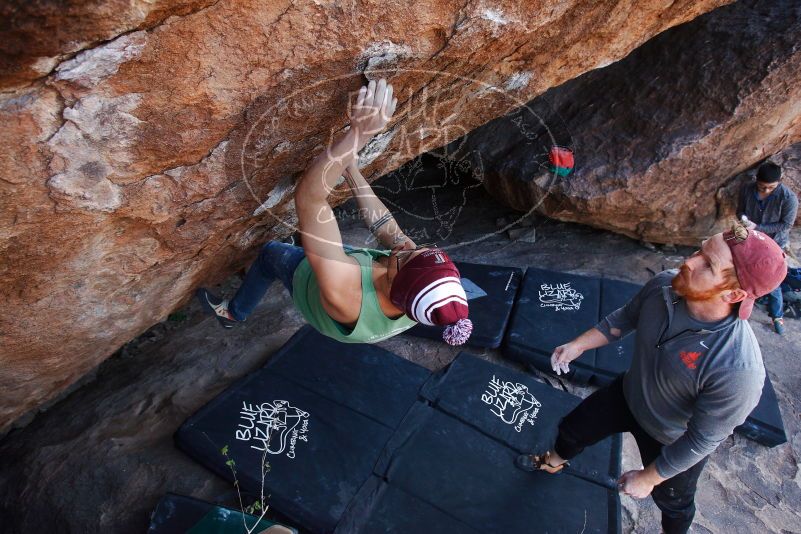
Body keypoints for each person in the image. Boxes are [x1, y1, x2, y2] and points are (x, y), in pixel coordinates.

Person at [515, 223, 786, 534]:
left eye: (708, 264)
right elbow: (625, 317)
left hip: (672, 437)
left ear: (734, 294)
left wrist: (649, 478)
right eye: (700, 250)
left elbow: (701, 441)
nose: (688, 261)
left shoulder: (738, 369)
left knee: (674, 503)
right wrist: (578, 345)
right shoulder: (664, 287)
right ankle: (554, 461)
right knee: (572, 430)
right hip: (628, 394)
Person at [196, 79, 473, 345]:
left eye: (407, 256)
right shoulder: (418, 287)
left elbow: (309, 200)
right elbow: (388, 228)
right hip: (364, 281)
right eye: (421, 249)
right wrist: (349, 168)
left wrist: (358, 135)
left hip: (318, 292)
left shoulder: (344, 290)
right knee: (333, 245)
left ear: (396, 287)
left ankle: (234, 313)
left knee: (272, 253)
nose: (406, 246)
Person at [737, 161, 798, 334]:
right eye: (762, 186)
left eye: (770, 187)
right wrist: (744, 220)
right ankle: (739, 308)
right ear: (756, 180)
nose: (765, 191)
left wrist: (758, 227)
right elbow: (739, 210)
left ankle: (777, 315)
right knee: (743, 270)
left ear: (780, 181)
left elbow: (785, 225)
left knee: (772, 279)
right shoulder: (747, 189)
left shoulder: (789, 198)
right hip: (751, 237)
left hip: (774, 243)